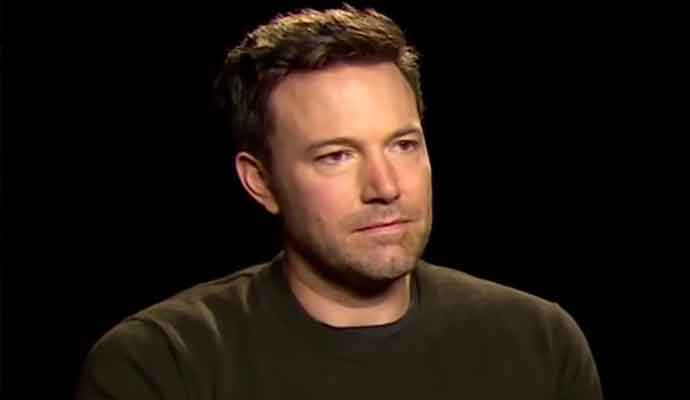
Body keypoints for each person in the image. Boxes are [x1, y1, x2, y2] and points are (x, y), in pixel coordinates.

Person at [75, 5, 603, 399]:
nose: (385, 186)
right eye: (336, 156)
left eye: (402, 145)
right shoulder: (161, 365)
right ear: (260, 182)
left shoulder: (540, 343)